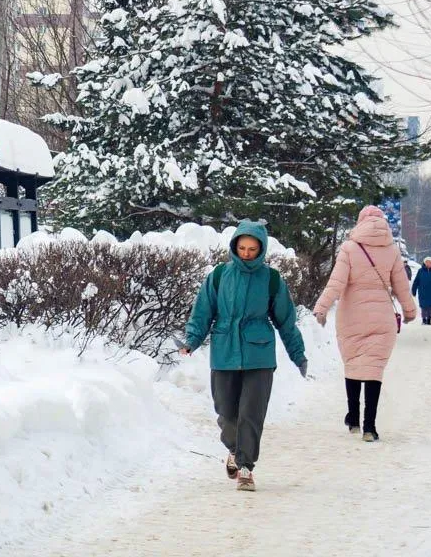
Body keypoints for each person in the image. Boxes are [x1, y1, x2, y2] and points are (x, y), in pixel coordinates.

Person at [179, 221, 307, 492]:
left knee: (251, 413)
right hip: (224, 351)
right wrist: (192, 339)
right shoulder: (218, 276)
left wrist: (298, 354)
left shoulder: (271, 279)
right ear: (234, 247)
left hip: (259, 353)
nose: (247, 253)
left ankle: (246, 467)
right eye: (242, 248)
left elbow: (286, 320)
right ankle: (236, 450)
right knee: (226, 412)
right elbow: (202, 312)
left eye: (252, 248)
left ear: (261, 249)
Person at [312, 206, 417, 443]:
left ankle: (353, 419)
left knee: (353, 366)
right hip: (382, 318)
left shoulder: (350, 248)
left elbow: (336, 282)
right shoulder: (391, 250)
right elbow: (401, 285)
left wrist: (322, 307)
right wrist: (409, 310)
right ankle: (370, 426)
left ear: (360, 223)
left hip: (352, 317)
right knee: (373, 371)